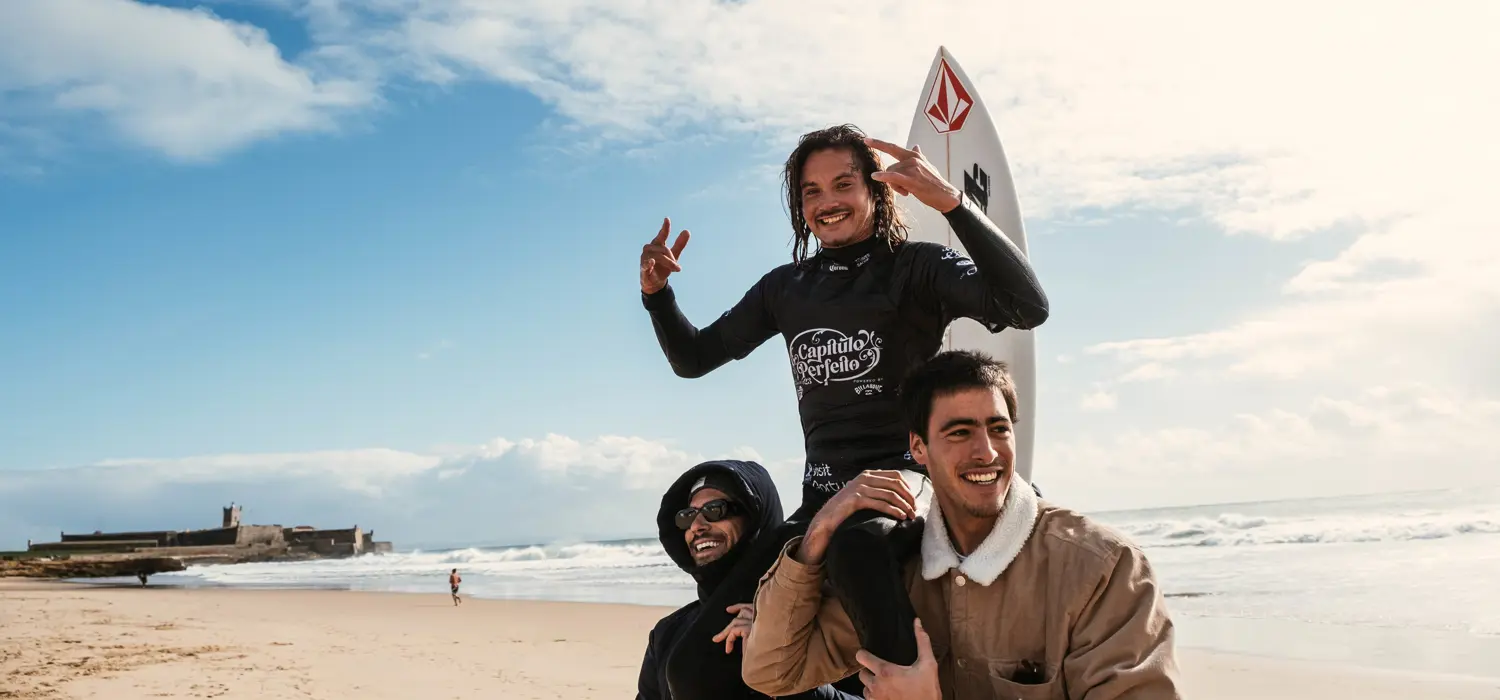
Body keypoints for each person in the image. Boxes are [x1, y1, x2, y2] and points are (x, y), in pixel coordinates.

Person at [639, 123, 1050, 698]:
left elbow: (1025, 306)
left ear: (874, 191)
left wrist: (950, 203)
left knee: (858, 545)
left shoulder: (916, 267)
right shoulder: (786, 287)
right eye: (811, 191)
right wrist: (657, 297)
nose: (827, 201)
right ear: (797, 205)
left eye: (843, 184)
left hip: (904, 482)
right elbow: (695, 358)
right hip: (821, 499)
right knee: (695, 669)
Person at [740, 350, 1182, 700]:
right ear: (918, 448)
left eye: (998, 429)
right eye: (959, 432)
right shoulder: (898, 565)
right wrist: (817, 535)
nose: (986, 452)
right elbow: (772, 672)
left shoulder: (1102, 568)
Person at [636, 459, 861, 700]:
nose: (697, 526)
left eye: (715, 510)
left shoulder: (827, 616)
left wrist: (776, 648)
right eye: (687, 516)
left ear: (756, 519)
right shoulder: (668, 634)